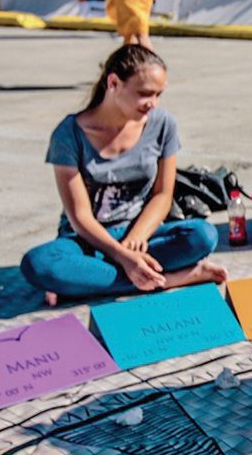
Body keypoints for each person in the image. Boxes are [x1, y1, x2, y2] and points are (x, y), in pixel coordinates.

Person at [21, 45, 226, 305]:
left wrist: (136, 240)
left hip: (143, 235)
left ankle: (90, 283)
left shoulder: (163, 124)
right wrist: (122, 256)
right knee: (39, 265)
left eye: (158, 94)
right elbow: (80, 216)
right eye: (144, 94)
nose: (153, 103)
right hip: (87, 241)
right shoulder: (69, 134)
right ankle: (174, 279)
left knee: (203, 236)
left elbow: (163, 195)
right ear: (114, 82)